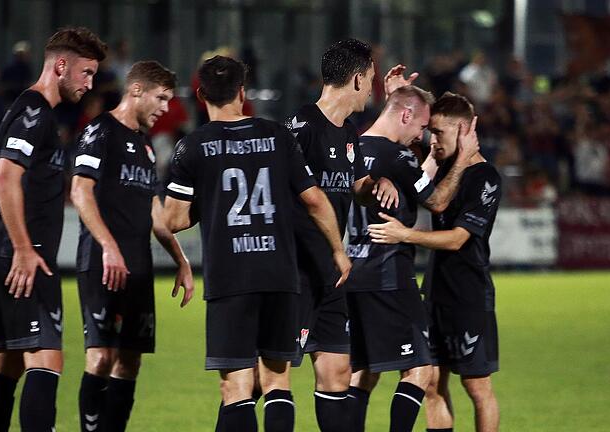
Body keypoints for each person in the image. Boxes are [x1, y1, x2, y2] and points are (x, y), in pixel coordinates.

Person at [162, 55, 351, 432]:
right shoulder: (278, 136)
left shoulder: (193, 147)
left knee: (236, 386)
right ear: (242, 92)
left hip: (230, 278)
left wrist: (213, 195)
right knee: (278, 380)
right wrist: (337, 250)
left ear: (200, 95)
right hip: (281, 274)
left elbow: (173, 220)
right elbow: (315, 200)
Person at [0, 27, 106, 432]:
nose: (90, 83)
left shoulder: (26, 109)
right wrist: (22, 248)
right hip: (25, 255)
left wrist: (2, 232)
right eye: (85, 73)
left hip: (5, 249)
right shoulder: (36, 112)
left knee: (7, 361)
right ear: (61, 65)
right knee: (47, 359)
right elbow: (5, 179)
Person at [344, 85, 479, 432]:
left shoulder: (350, 149)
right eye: (420, 127)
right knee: (420, 369)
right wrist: (463, 158)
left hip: (352, 272)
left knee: (364, 372)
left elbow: (413, 180)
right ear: (405, 116)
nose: (422, 136)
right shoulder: (397, 157)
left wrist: (398, 95)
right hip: (389, 274)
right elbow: (436, 201)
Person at [70, 60, 194, 432]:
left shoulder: (144, 147)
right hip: (102, 264)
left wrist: (181, 260)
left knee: (130, 361)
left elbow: (156, 214)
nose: (165, 108)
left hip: (138, 269)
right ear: (136, 90)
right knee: (101, 357)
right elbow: (79, 191)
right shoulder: (100, 131)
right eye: (161, 98)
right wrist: (108, 247)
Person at [368, 92, 501, 432]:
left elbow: (458, 239)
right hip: (435, 292)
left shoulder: (486, 178)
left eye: (440, 132)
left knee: (477, 386)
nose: (432, 138)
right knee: (431, 384)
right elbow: (418, 185)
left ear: (463, 131)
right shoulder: (444, 169)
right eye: (431, 130)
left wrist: (405, 235)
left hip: (469, 294)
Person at [284, 38, 395, 432]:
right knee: (267, 380)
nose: (373, 87)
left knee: (336, 372)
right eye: (372, 78)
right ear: (357, 78)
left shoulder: (348, 133)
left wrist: (379, 185)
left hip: (332, 274)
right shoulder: (301, 127)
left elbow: (357, 185)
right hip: (296, 272)